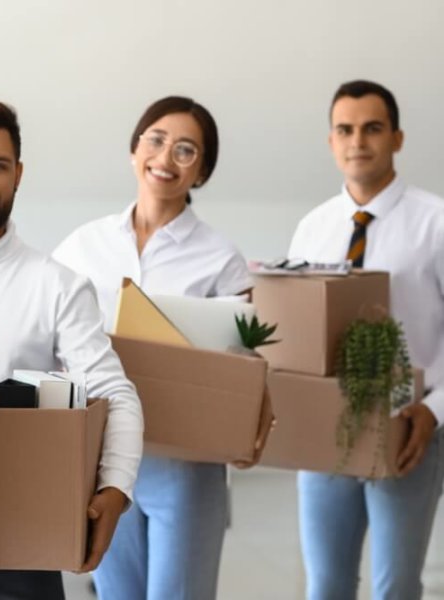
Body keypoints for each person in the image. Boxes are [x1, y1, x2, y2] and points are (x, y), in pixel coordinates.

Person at [0, 96, 144, 600]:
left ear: (18, 174)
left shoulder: (57, 286)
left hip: (17, 551)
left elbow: (115, 392)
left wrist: (114, 490)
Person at [52, 96, 253, 599]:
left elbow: (246, 365)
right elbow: (48, 338)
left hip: (184, 465)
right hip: (103, 457)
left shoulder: (222, 259)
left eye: (186, 150)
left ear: (201, 171)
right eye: (156, 140)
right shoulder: (83, 245)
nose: (165, 159)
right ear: (134, 149)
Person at [288, 79, 444, 600]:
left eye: (372, 128)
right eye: (345, 130)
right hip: (327, 430)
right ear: (331, 142)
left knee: (396, 585)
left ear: (397, 138)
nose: (358, 141)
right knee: (325, 583)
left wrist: (433, 411)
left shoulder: (437, 223)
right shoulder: (312, 228)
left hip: (410, 426)